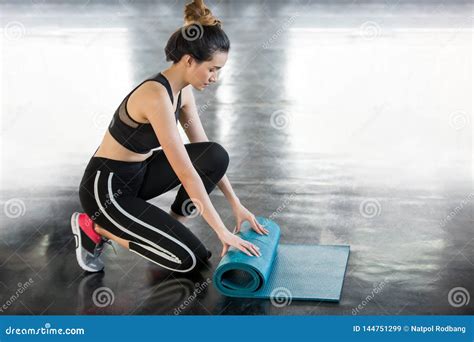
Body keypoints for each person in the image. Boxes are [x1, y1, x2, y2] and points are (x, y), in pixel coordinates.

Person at [71, 0, 269, 273]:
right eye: (212, 69)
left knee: (215, 155)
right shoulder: (156, 97)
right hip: (106, 189)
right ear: (189, 60)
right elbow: (186, 173)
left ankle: (171, 228)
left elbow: (203, 154)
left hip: (140, 175)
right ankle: (95, 226)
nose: (214, 78)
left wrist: (236, 204)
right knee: (189, 260)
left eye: (218, 71)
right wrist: (222, 231)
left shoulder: (183, 91)